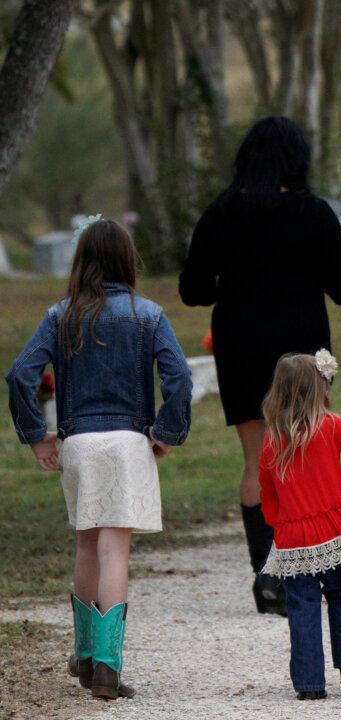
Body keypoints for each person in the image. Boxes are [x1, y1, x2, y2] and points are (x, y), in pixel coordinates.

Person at [6, 218, 192, 700]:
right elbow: (179, 380)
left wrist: (36, 436)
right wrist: (167, 432)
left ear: (82, 260)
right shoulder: (148, 314)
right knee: (115, 551)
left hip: (80, 444)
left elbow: (19, 375)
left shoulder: (60, 315)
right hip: (129, 442)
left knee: (87, 544)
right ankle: (107, 668)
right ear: (128, 261)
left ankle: (86, 658)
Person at [179, 117, 341, 617]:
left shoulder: (221, 212)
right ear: (297, 160)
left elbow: (192, 290)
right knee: (305, 452)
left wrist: (231, 287)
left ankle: (268, 578)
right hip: (301, 351)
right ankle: (306, 565)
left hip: (239, 344)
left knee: (257, 457)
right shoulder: (314, 213)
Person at [257, 351, 341, 700]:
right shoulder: (329, 426)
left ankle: (310, 684)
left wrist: (279, 524)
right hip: (332, 531)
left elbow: (267, 493)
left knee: (302, 605)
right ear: (320, 388)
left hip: (294, 537)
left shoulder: (271, 440)